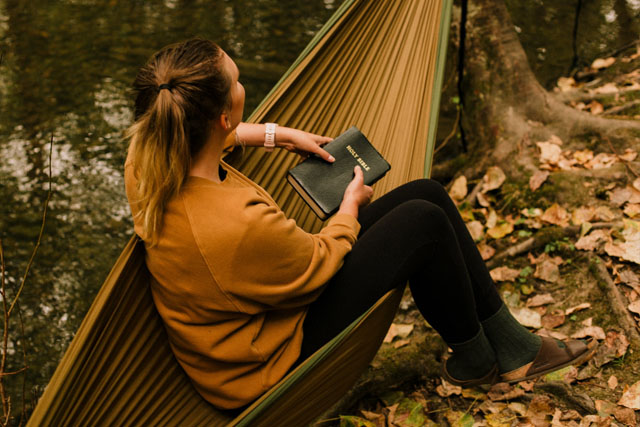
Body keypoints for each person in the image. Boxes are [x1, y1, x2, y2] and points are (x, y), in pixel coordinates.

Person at [124, 38, 594, 411]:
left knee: (426, 193)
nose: (243, 85)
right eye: (238, 81)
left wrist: (275, 135)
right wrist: (349, 206)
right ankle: (478, 358)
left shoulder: (149, 161)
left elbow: (209, 132)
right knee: (424, 222)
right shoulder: (236, 225)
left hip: (252, 317)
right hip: (265, 359)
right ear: (222, 115)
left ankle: (509, 347)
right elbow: (318, 262)